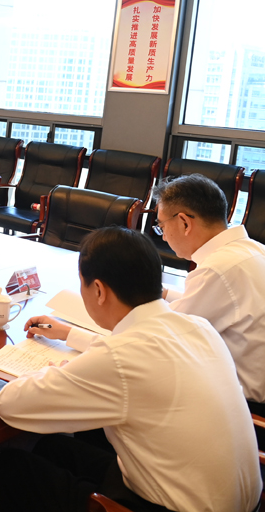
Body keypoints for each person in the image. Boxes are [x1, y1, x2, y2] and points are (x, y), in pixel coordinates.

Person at [0, 227, 261, 512]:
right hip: (241, 503)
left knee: (11, 466)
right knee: (52, 447)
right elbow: (134, 358)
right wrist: (73, 342)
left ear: (99, 290)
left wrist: (55, 373)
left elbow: (9, 404)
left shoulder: (120, 356)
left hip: (171, 508)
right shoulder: (199, 327)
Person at [60, 174, 265, 413]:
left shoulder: (218, 270)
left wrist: (69, 333)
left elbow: (151, 341)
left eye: (162, 227)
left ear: (184, 223)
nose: (164, 237)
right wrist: (164, 293)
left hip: (245, 407)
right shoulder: (252, 250)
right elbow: (218, 304)